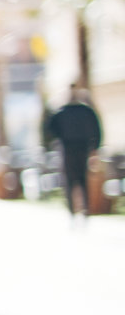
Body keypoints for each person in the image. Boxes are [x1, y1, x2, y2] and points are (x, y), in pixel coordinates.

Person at [47, 86, 104, 217]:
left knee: (78, 180)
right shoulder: (70, 111)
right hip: (71, 148)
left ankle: (83, 210)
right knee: (74, 180)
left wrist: (95, 148)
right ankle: (75, 211)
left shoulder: (72, 111)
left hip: (77, 148)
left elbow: (50, 130)